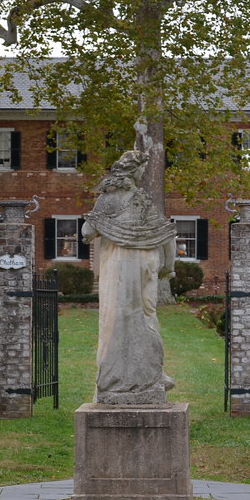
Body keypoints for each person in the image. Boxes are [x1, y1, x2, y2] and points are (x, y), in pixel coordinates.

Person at [82, 150, 176, 405]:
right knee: (146, 317)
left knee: (118, 320)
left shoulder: (110, 200)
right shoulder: (142, 200)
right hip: (145, 266)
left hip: (120, 268)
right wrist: (169, 266)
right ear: (134, 171)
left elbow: (87, 231)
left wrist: (106, 225)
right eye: (142, 170)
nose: (143, 174)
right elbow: (167, 235)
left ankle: (120, 381)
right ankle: (150, 377)